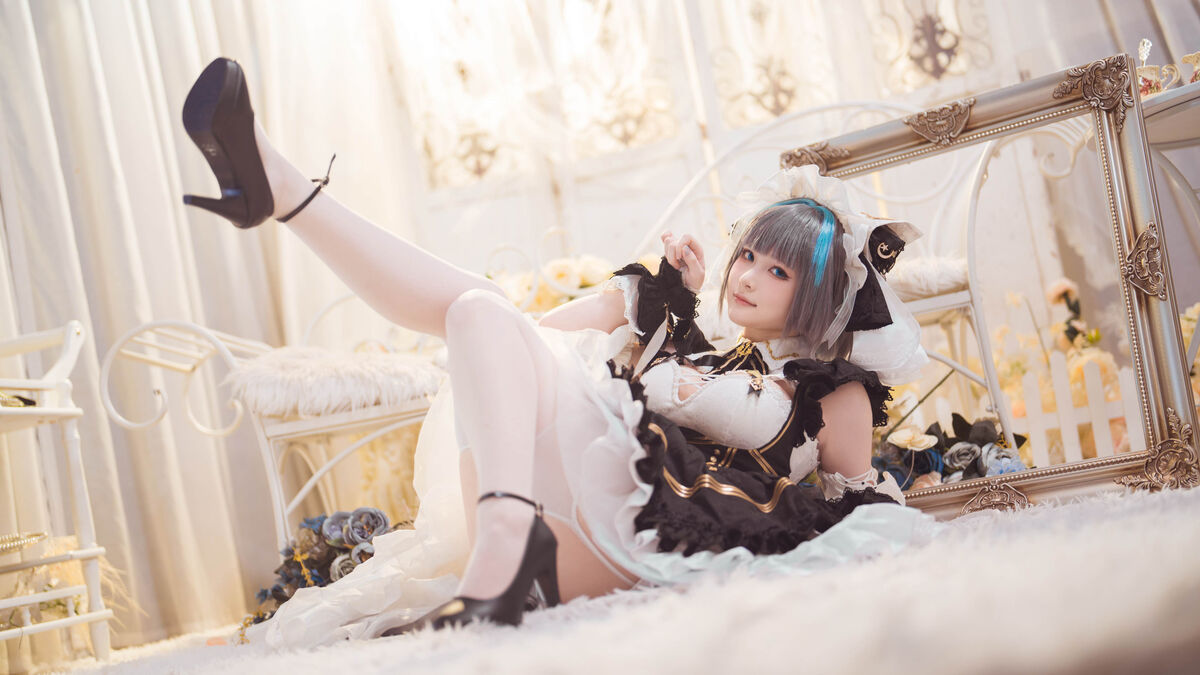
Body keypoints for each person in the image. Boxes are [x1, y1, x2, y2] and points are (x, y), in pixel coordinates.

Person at [181, 57, 936, 646]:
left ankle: (284, 195)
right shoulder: (687, 339)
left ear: (816, 298)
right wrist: (661, 298)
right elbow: (531, 333)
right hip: (562, 516)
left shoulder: (834, 391)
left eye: (778, 272)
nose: (746, 276)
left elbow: (862, 510)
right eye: (749, 255)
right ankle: (286, 197)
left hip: (644, 537)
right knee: (478, 309)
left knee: (482, 309)